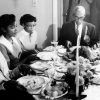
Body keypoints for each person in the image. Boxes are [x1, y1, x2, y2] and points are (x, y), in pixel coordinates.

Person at [0, 14, 36, 83]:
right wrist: (27, 58)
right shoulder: (1, 44)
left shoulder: (13, 38)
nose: (16, 30)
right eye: (12, 27)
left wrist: (31, 52)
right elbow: (9, 68)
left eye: (16, 26)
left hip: (23, 68)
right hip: (14, 74)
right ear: (3, 29)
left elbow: (20, 53)